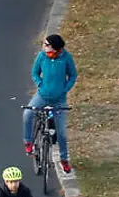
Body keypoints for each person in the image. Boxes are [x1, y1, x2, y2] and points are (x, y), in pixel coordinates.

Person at [23, 34, 79, 173]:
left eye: (47, 45)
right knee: (27, 114)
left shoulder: (66, 58)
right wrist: (40, 84)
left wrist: (65, 89)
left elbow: (73, 75)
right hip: (42, 96)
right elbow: (35, 72)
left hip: (59, 100)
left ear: (56, 48)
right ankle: (28, 142)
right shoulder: (42, 56)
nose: (44, 47)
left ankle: (64, 159)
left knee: (61, 133)